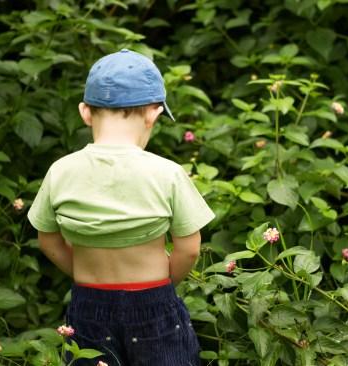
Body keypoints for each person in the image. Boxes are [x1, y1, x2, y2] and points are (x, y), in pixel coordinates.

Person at [27, 49, 215, 366]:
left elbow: (48, 240)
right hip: (154, 302)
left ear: (85, 113)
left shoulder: (61, 170)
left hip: (89, 305)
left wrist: (82, 273)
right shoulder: (166, 173)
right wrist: (166, 285)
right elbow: (190, 248)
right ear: (153, 115)